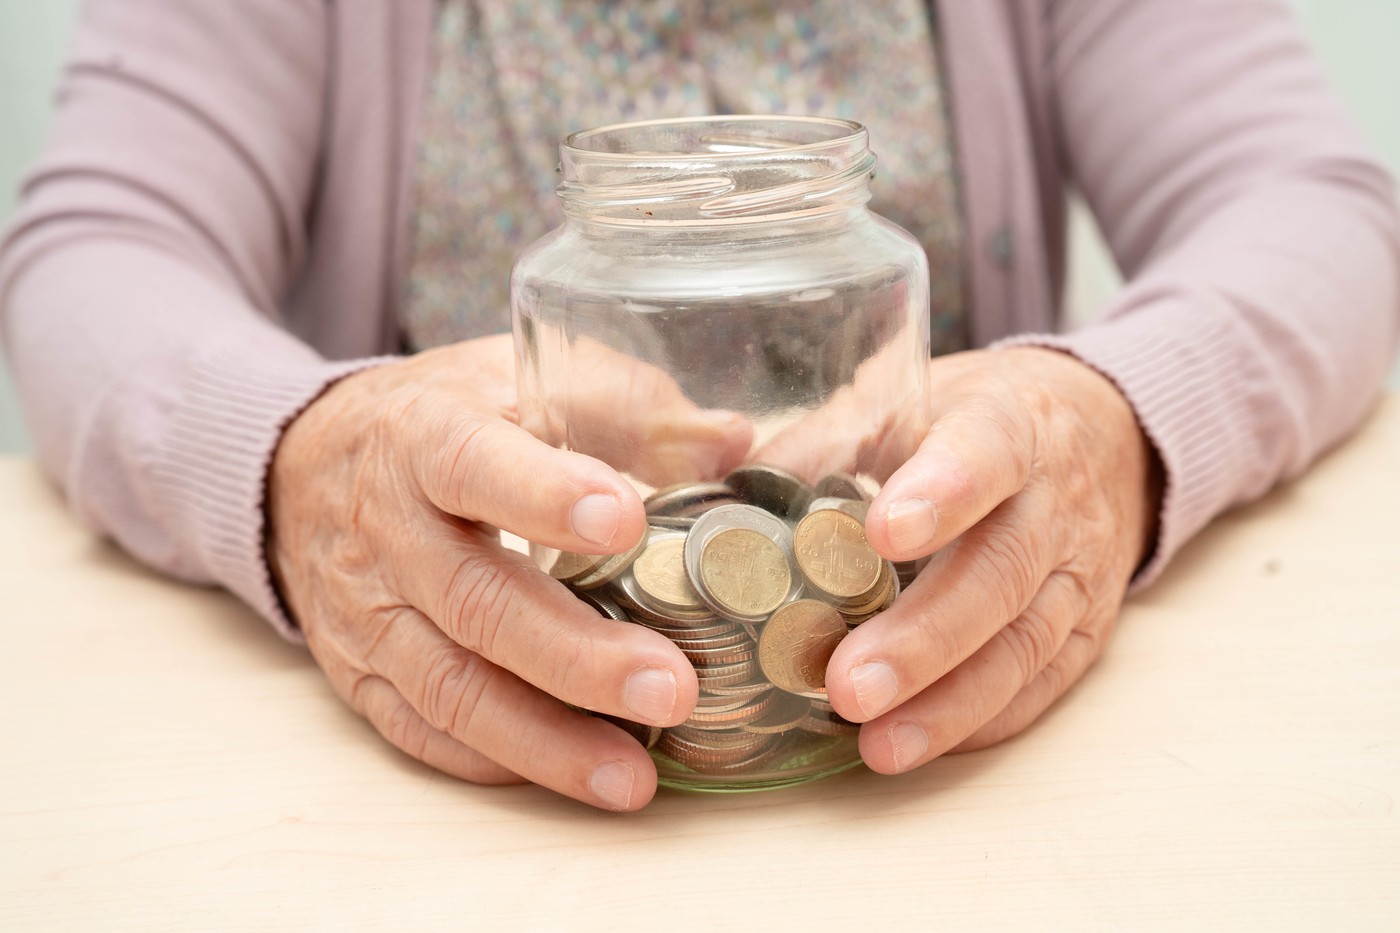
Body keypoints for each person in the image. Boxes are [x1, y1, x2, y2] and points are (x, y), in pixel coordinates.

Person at [2, 0, 1396, 812]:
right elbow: (97, 254)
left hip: (941, 798)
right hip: (452, 826)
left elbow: (1317, 208)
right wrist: (305, 457)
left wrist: (1114, 419)